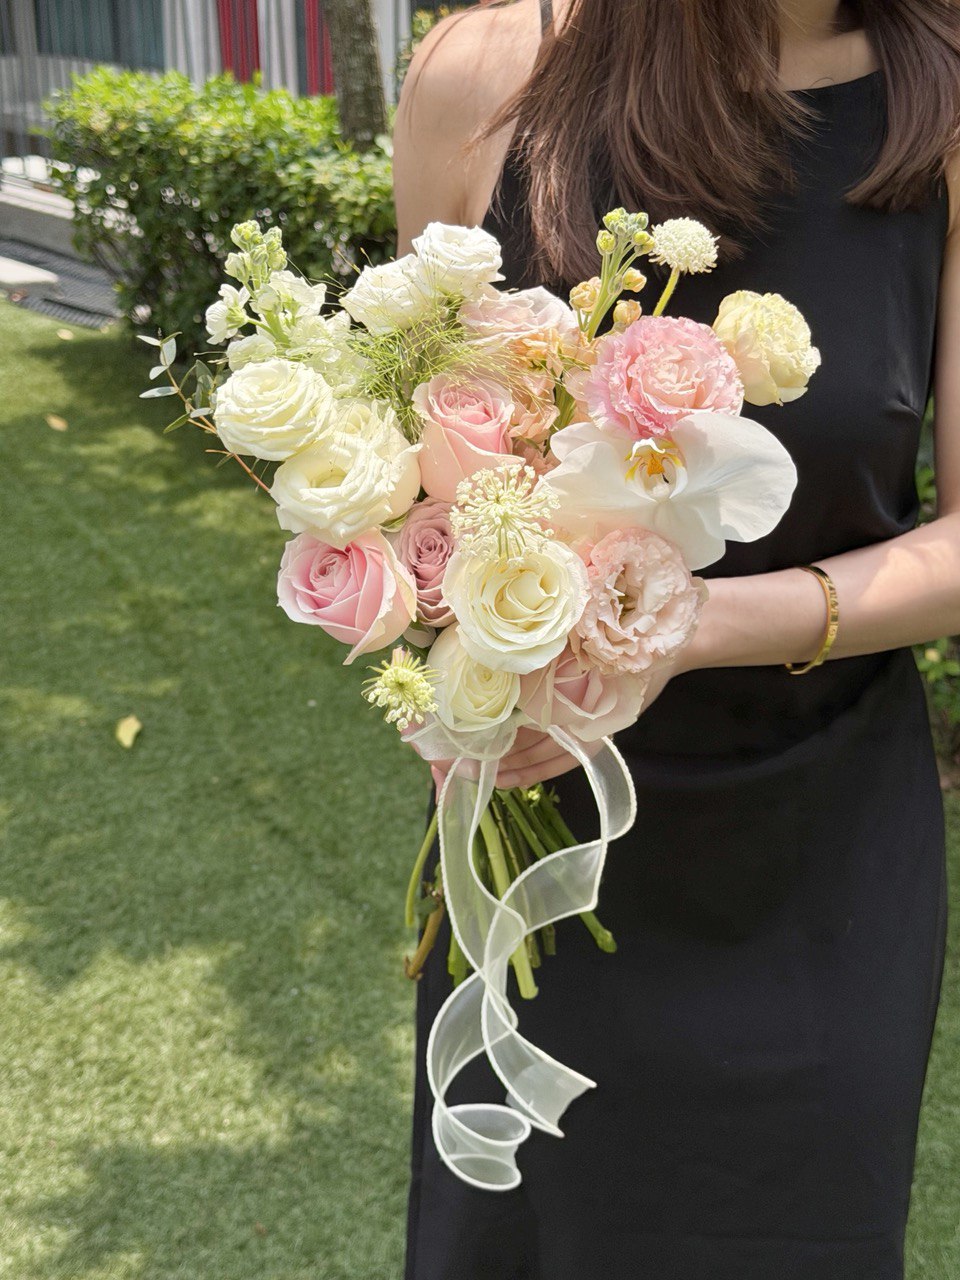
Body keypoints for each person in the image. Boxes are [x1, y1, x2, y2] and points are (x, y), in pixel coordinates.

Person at [392, 1, 960, 1276]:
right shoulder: (483, 78)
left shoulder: (944, 111)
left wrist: (681, 625)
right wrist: (452, 616)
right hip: (542, 842)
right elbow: (423, 449)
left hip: (814, 859)